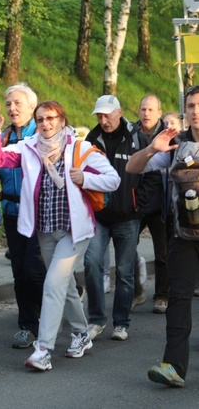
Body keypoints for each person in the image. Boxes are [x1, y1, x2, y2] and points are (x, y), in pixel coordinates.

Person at [0, 100, 120, 371]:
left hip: (76, 231)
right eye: (41, 119)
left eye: (51, 118)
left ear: (62, 121)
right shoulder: (29, 148)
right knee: (64, 285)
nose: (46, 123)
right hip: (45, 231)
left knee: (52, 284)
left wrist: (85, 179)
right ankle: (81, 333)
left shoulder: (79, 148)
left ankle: (43, 349)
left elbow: (113, 179)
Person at [126, 86, 199, 387]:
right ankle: (174, 367)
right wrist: (152, 149)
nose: (196, 110)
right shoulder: (176, 145)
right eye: (191, 105)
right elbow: (132, 167)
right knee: (179, 300)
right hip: (183, 235)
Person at [83, 95, 160, 342]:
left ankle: (121, 322)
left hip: (128, 217)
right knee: (92, 264)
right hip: (99, 215)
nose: (103, 120)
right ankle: (96, 320)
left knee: (125, 271)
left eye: (107, 115)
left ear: (120, 112)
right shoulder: (91, 140)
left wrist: (139, 205)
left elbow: (153, 175)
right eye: (99, 115)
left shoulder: (138, 138)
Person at [0, 83, 46, 349]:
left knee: (34, 270)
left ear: (32, 107)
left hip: (40, 212)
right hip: (12, 212)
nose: (12, 108)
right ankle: (27, 326)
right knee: (20, 272)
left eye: (18, 103)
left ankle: (53, 308)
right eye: (9, 104)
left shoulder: (42, 133)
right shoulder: (3, 136)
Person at [133, 95, 170, 314]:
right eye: (143, 109)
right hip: (135, 204)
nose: (146, 113)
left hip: (160, 205)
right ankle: (137, 292)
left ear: (159, 113)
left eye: (150, 110)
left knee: (162, 253)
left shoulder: (168, 135)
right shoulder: (131, 134)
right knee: (127, 252)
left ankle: (162, 296)